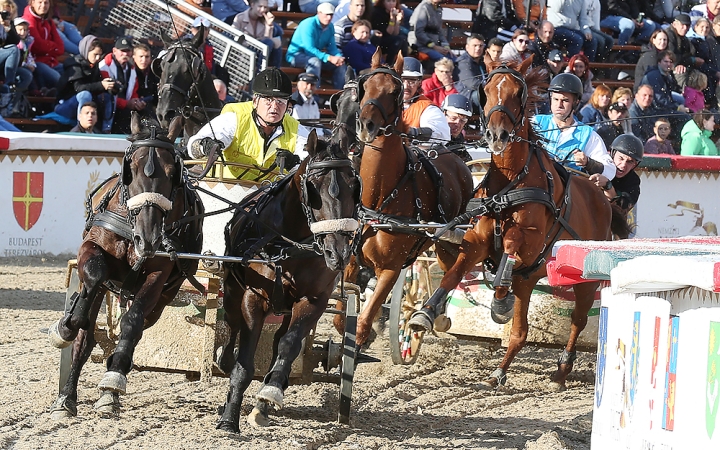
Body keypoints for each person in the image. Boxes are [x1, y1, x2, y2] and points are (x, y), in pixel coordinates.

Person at [187, 67, 311, 180]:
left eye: (280, 101)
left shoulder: (296, 129)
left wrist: (294, 163)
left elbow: (310, 165)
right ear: (255, 101)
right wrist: (206, 146)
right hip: (224, 192)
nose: (274, 107)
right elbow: (193, 146)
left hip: (269, 199)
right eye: (268, 100)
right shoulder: (234, 118)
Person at [533, 73, 616, 178]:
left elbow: (610, 171)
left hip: (567, 191)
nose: (559, 105)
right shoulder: (535, 122)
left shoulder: (588, 135)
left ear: (576, 102)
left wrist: (588, 163)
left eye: (565, 100)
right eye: (555, 99)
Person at [286, 3, 347, 90]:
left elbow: (332, 47)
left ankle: (340, 95)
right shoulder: (308, 24)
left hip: (316, 56)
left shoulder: (330, 27)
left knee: (340, 64)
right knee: (315, 62)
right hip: (296, 55)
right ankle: (314, 95)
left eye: (331, 15)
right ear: (319, 13)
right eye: (326, 15)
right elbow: (309, 49)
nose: (329, 18)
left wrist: (338, 57)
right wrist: (329, 58)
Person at [53, 35, 111, 124]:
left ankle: (106, 129)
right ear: (86, 51)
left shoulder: (94, 66)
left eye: (100, 55)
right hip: (64, 106)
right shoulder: (75, 65)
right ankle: (81, 127)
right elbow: (78, 88)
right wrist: (101, 85)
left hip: (83, 107)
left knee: (107, 96)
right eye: (95, 54)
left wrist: (110, 87)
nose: (98, 58)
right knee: (85, 95)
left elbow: (97, 86)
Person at [98, 37, 145, 134]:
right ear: (114, 51)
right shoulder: (104, 66)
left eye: (128, 51)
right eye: (122, 51)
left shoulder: (131, 69)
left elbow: (134, 91)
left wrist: (136, 101)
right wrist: (126, 104)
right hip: (108, 106)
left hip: (125, 106)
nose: (125, 54)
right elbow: (106, 93)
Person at [589, 134, 643, 214]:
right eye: (621, 158)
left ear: (635, 165)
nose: (623, 165)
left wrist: (608, 185)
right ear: (613, 154)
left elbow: (621, 208)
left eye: (630, 161)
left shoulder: (633, 182)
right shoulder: (598, 166)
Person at [401, 56, 451, 141]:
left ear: (419, 83)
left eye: (412, 81)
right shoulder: (383, 104)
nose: (406, 86)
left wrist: (413, 132)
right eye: (402, 80)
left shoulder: (428, 108)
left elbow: (442, 134)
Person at [22, 0, 63, 89]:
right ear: (32, 3)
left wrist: (48, 46)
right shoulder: (28, 21)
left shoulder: (48, 21)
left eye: (46, 2)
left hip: (51, 61)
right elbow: (37, 46)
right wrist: (52, 46)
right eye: (40, 2)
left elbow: (61, 48)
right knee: (58, 79)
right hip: (36, 62)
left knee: (73, 76)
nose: (43, 5)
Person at [232, 0, 283, 69]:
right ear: (252, 5)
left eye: (265, 7)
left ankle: (276, 70)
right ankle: (260, 70)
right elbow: (233, 36)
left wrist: (269, 25)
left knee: (275, 42)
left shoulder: (264, 19)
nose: (263, 10)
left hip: (260, 50)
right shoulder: (240, 18)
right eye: (260, 6)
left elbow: (267, 40)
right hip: (245, 50)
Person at [453, 34, 486, 113]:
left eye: (480, 46)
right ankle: (485, 123)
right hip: (466, 96)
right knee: (485, 96)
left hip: (479, 92)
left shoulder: (482, 61)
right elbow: (472, 83)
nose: (478, 48)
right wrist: (491, 87)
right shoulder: (463, 62)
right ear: (467, 47)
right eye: (475, 45)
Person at [666, 14, 698, 87]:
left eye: (687, 25)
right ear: (674, 24)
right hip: (668, 65)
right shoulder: (669, 34)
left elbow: (690, 53)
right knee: (681, 72)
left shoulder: (684, 38)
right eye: (682, 25)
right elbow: (671, 55)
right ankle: (683, 96)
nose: (685, 28)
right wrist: (691, 60)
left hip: (679, 64)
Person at [370, 0, 406, 65]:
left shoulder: (395, 11)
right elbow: (387, 33)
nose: (391, 4)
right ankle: (389, 64)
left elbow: (395, 33)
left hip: (388, 40)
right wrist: (392, 19)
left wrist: (397, 21)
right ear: (383, 2)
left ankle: (405, 64)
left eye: (393, 1)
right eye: (388, 1)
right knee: (398, 40)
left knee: (402, 39)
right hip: (377, 40)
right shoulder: (377, 12)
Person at [133, 42, 159, 116]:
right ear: (134, 57)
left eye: (147, 57)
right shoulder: (130, 71)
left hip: (149, 103)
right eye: (141, 56)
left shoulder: (153, 71)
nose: (144, 60)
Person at [12, 17, 33, 92]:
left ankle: (35, 91)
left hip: (22, 65)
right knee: (27, 75)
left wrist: (31, 64)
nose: (23, 32)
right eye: (20, 30)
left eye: (25, 30)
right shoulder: (15, 43)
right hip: (14, 67)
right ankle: (16, 94)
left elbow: (28, 56)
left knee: (32, 72)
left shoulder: (26, 43)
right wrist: (26, 65)